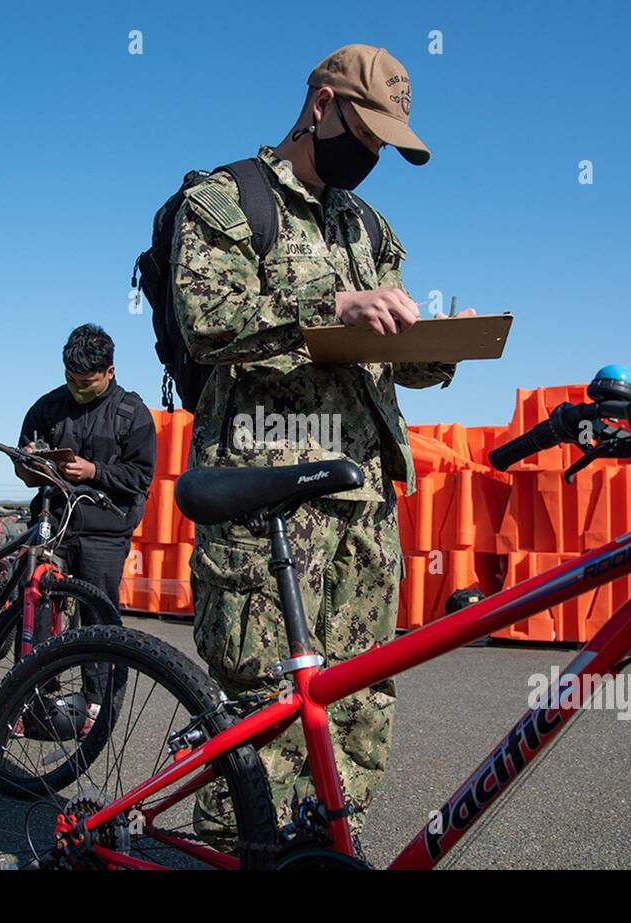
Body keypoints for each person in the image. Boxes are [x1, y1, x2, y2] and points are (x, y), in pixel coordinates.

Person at [171, 43, 476, 843]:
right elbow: (209, 321)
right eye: (365, 134)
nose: (371, 155)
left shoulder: (365, 222)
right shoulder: (229, 196)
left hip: (365, 501)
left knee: (361, 697)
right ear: (320, 105)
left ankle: (328, 851)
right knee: (266, 709)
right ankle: (233, 856)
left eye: (385, 145)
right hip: (268, 497)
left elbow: (383, 347)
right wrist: (332, 302)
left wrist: (430, 345)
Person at [18, 324, 157, 720]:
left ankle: (99, 705)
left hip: (105, 531)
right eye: (71, 379)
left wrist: (95, 471)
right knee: (36, 608)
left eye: (87, 382)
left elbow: (141, 478)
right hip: (54, 524)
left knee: (97, 617)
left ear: (109, 371)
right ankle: (31, 697)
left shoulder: (132, 412)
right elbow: (26, 463)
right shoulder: (46, 407)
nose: (77, 387)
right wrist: (29, 463)